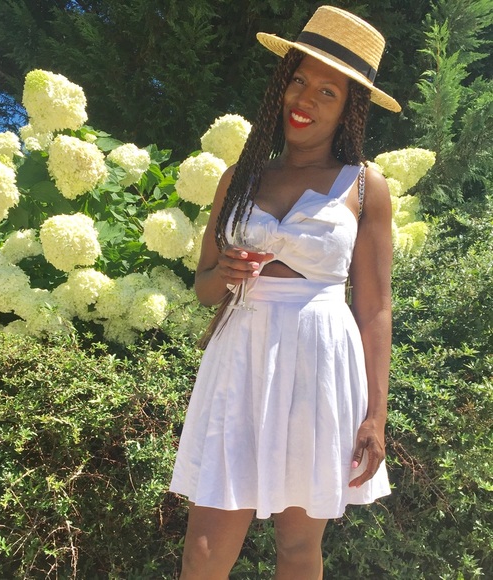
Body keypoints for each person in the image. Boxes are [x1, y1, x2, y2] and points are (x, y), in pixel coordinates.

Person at [170, 5, 401, 579]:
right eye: (298, 80)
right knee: (204, 549)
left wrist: (376, 415)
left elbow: (374, 307)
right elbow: (204, 289)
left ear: (349, 108)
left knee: (298, 546)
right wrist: (226, 272)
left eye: (327, 92)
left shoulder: (365, 187)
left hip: (319, 363)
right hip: (240, 358)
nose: (305, 99)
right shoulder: (240, 177)